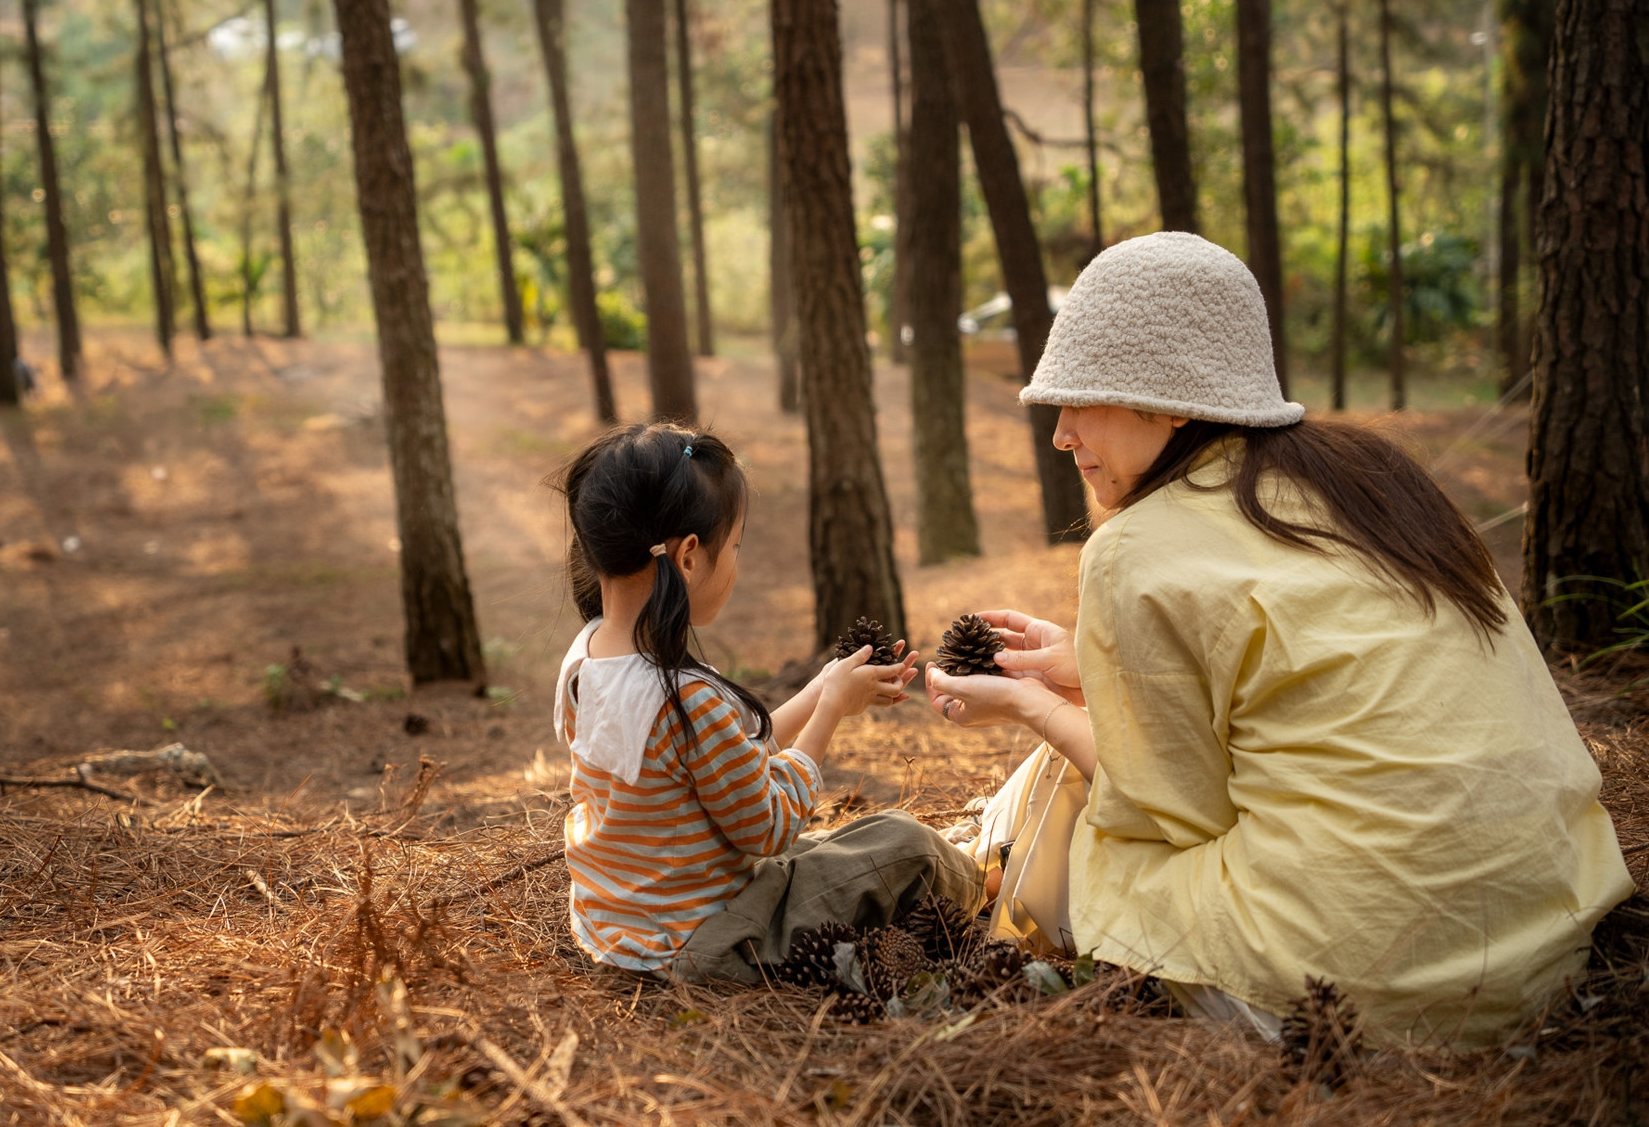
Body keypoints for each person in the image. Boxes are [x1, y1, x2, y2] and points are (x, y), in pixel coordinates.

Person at [925, 232, 1632, 1046]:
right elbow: (1319, 671)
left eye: (1081, 397)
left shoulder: (1133, 546)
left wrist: (1030, 707)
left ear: (1165, 400)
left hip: (1360, 985)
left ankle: (955, 901)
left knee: (1067, 816)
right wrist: (1094, 661)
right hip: (1541, 944)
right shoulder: (1372, 481)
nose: (1061, 433)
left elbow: (1175, 811)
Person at [553, 423, 980, 983]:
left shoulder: (587, 662)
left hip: (624, 925)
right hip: (706, 940)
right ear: (687, 556)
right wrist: (828, 714)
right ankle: (986, 882)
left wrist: (822, 687)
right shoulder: (683, 695)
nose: (736, 561)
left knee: (849, 841)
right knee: (902, 844)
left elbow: (723, 761)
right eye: (734, 546)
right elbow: (768, 827)